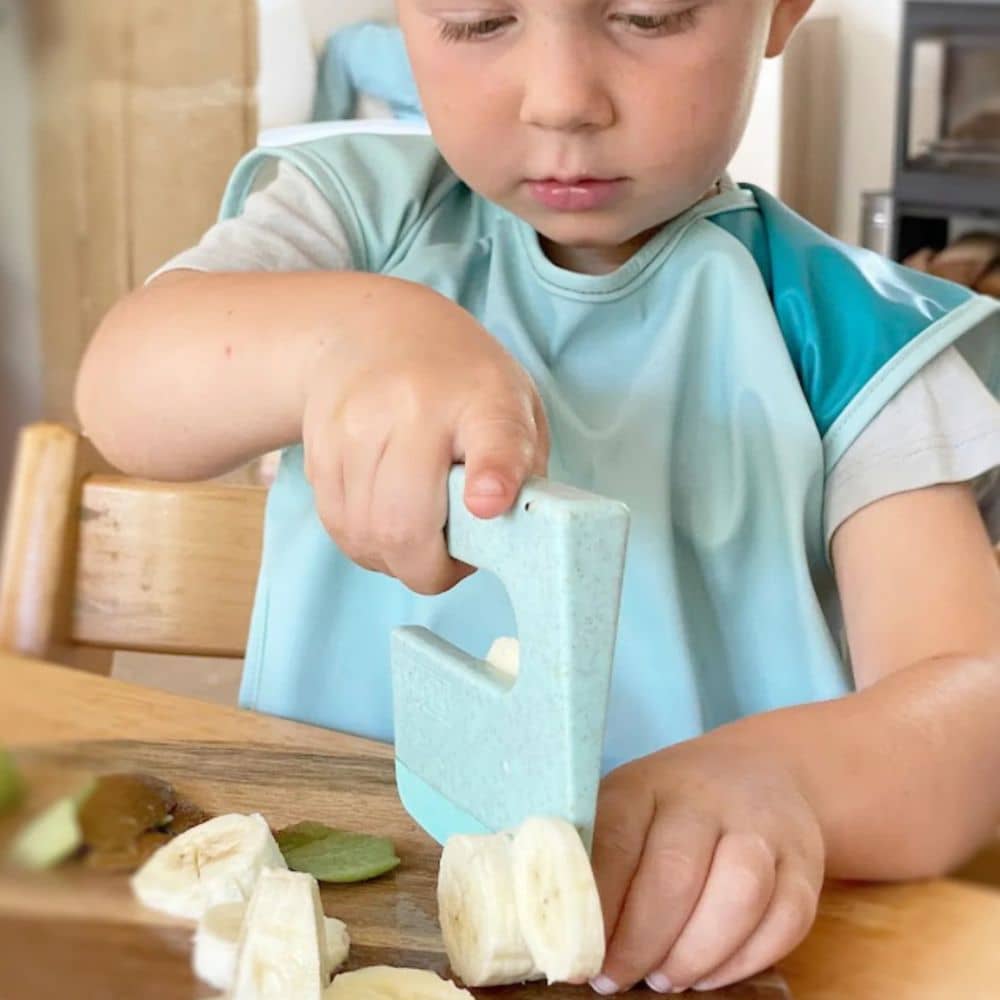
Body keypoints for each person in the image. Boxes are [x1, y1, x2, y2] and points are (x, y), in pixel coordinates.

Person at [76, 0, 1000, 992]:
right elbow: (123, 392)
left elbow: (972, 705)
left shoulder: (855, 340)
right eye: (478, 20)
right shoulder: (352, 217)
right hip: (324, 933)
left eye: (648, 14)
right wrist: (345, 337)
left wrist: (791, 783)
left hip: (675, 955)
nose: (562, 101)